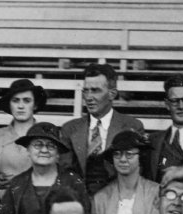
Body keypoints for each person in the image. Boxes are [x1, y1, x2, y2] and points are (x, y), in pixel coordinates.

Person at [60, 63, 144, 196]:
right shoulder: (69, 129)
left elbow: (135, 173)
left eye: (95, 90)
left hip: (118, 199)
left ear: (112, 94)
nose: (88, 97)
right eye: (86, 91)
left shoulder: (131, 127)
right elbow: (66, 172)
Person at [0, 122, 89, 214]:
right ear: (28, 150)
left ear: (58, 153)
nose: (44, 150)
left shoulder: (73, 181)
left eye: (51, 146)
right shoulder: (17, 184)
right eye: (38, 145)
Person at [91, 130, 160, 214]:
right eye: (117, 154)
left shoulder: (155, 192)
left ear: (140, 157)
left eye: (129, 154)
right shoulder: (100, 198)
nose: (122, 159)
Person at [0, 79, 47, 192]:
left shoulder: (46, 136)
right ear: (9, 105)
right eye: (16, 101)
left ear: (35, 105)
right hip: (4, 199)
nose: (21, 106)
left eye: (27, 101)